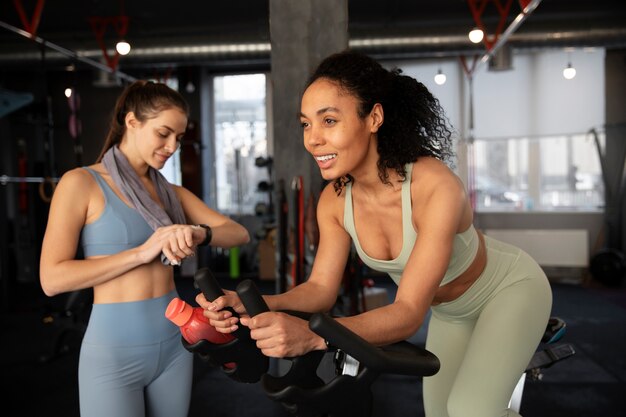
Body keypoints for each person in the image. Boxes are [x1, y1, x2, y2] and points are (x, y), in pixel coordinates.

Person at [198, 50, 552, 417]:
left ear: (374, 118)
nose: (313, 139)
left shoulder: (435, 187)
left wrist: (316, 336)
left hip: (508, 291)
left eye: (329, 120)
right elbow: (320, 290)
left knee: (471, 409)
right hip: (451, 313)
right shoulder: (334, 201)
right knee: (440, 413)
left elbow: (408, 313)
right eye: (306, 124)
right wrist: (261, 302)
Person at [39, 80, 250, 417]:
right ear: (132, 121)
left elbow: (238, 234)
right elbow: (52, 279)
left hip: (174, 345)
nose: (171, 146)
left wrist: (197, 233)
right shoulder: (80, 183)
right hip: (113, 350)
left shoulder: (171, 193)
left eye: (178, 138)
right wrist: (142, 252)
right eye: (163, 133)